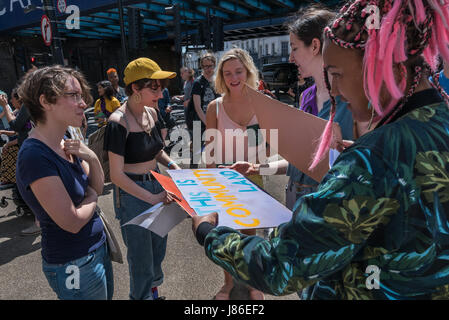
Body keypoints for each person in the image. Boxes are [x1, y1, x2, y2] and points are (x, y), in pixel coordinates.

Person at [192, 0, 449, 300]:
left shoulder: (374, 159)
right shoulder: (436, 122)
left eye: (337, 73)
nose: (336, 90)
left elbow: (281, 265)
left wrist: (207, 232)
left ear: (379, 63)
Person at [226, 5, 354, 211]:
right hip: (296, 199)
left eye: (294, 48)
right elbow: (301, 164)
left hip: (330, 209)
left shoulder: (353, 101)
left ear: (314, 46)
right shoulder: (306, 97)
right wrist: (257, 168)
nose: (290, 58)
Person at [15, 65, 113, 300]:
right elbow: (72, 222)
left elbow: (97, 184)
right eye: (74, 96)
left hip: (95, 250)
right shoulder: (35, 155)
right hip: (74, 263)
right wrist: (91, 197)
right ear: (46, 101)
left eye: (82, 96)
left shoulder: (66, 139)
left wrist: (90, 156)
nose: (83, 103)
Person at [104, 57, 181, 300]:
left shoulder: (152, 113)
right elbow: (116, 175)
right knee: (141, 256)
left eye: (161, 87)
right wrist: (152, 196)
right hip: (132, 194)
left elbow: (156, 150)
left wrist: (173, 165)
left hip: (157, 185)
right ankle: (141, 296)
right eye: (154, 87)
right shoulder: (117, 123)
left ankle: (152, 291)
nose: (160, 93)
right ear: (135, 88)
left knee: (158, 248)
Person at [205, 48, 266, 300]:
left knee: (251, 232)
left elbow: (261, 148)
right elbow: (210, 151)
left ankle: (252, 282)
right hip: (225, 178)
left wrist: (256, 163)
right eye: (227, 73)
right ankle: (228, 283)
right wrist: (212, 179)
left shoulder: (260, 103)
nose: (233, 77)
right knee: (227, 234)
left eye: (238, 71)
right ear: (221, 76)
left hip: (252, 174)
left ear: (248, 72)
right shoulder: (214, 107)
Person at [189, 53, 220, 167]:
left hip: (215, 120)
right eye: (205, 66)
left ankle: (214, 174)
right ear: (202, 67)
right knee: (196, 153)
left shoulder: (217, 82)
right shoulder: (198, 83)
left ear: (214, 65)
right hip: (199, 122)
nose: (208, 69)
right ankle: (193, 175)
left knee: (214, 151)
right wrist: (208, 123)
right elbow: (197, 107)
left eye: (211, 66)